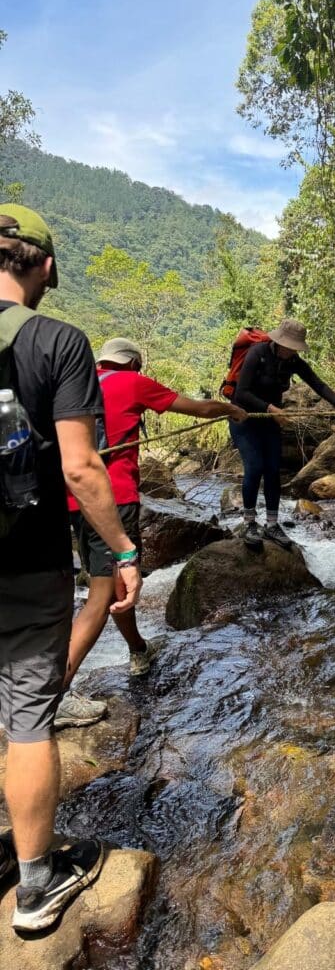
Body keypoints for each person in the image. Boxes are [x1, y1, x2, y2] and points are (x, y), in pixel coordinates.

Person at [0, 204, 142, 932]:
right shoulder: (57, 342)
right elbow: (83, 469)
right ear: (45, 265)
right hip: (24, 557)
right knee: (27, 720)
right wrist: (121, 551)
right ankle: (34, 885)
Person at [58, 338, 247, 728]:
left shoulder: (72, 383)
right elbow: (197, 408)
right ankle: (55, 694)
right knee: (101, 595)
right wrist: (230, 409)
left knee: (115, 588)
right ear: (133, 364)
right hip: (114, 500)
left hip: (73, 500)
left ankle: (138, 650)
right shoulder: (132, 383)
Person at [232, 317, 335, 548]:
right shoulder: (257, 354)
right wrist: (270, 408)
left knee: (272, 470)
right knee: (255, 467)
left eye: (295, 347)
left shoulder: (293, 361)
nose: (292, 350)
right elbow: (241, 393)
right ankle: (249, 523)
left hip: (270, 421)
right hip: (244, 419)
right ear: (279, 341)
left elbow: (317, 384)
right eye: (289, 345)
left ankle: (271, 524)